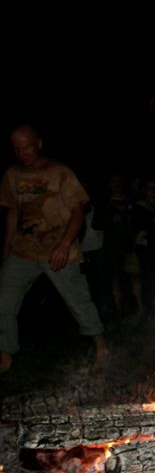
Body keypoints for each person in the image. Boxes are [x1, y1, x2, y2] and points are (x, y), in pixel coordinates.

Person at [0, 125, 108, 372]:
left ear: (38, 143)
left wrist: (64, 244)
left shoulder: (59, 172)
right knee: (4, 299)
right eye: (17, 149)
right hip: (23, 249)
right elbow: (12, 213)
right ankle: (5, 353)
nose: (22, 153)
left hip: (58, 248)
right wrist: (6, 252)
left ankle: (101, 345)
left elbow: (78, 212)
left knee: (78, 300)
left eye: (27, 147)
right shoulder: (12, 174)